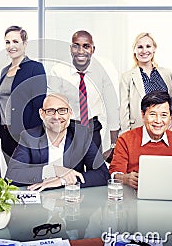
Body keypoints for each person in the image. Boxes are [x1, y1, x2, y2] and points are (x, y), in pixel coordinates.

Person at [5, 93, 110, 192]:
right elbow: (12, 175)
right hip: (41, 200)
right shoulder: (29, 137)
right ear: (42, 114)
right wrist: (54, 170)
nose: (56, 116)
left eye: (62, 110)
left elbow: (103, 174)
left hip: (72, 201)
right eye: (50, 111)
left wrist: (63, 181)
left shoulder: (81, 135)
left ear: (70, 113)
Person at [48, 30, 119, 162]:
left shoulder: (104, 69)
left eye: (86, 46)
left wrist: (114, 145)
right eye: (76, 45)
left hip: (94, 127)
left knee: (98, 173)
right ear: (70, 49)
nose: (81, 51)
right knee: (71, 175)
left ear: (93, 49)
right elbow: (54, 106)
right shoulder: (58, 70)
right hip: (70, 128)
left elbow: (112, 106)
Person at [109, 91, 172, 189]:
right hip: (134, 196)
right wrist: (125, 178)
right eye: (153, 114)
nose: (158, 121)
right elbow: (115, 173)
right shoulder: (125, 139)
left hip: (170, 195)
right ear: (143, 115)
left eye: (164, 115)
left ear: (170, 117)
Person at [0, 26, 47, 164]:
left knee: (26, 178)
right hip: (5, 135)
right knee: (12, 179)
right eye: (8, 42)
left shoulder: (35, 68)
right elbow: (0, 105)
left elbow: (38, 106)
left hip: (25, 136)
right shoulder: (4, 71)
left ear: (25, 43)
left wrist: (30, 137)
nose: (11, 46)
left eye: (15, 41)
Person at [120, 33, 172, 133]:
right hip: (138, 129)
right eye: (140, 47)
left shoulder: (167, 74)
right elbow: (123, 109)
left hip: (163, 129)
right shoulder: (127, 77)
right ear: (134, 50)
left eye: (148, 46)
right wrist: (126, 134)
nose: (144, 51)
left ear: (154, 49)